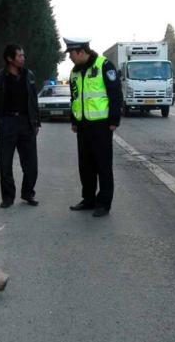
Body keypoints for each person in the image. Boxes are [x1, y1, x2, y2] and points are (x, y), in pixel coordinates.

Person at [64, 37, 122, 217]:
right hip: (83, 127)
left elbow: (115, 94)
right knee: (86, 166)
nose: (70, 58)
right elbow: (75, 97)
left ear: (81, 51)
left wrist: (113, 120)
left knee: (103, 166)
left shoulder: (104, 65)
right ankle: (88, 199)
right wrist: (74, 120)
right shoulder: (75, 72)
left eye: (71, 54)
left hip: (101, 126)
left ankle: (104, 203)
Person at [0, 44, 41, 208]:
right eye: (19, 56)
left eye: (23, 55)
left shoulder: (29, 75)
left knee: (31, 164)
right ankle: (8, 198)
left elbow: (33, 101)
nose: (23, 58)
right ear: (10, 58)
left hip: (26, 123)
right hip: (7, 122)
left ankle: (28, 193)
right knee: (5, 164)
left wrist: (36, 122)